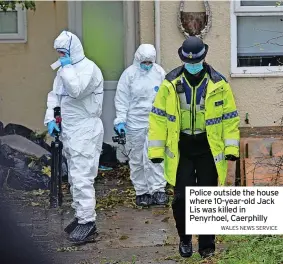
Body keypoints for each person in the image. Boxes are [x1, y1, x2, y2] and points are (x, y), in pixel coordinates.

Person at [147, 36, 240, 258]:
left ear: (203, 57)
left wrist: (231, 149)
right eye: (188, 61)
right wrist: (156, 151)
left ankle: (207, 246)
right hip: (182, 149)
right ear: (182, 59)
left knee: (207, 199)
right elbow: (158, 118)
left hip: (208, 148)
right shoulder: (170, 83)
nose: (192, 64)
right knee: (181, 198)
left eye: (196, 60)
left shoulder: (219, 83)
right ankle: (185, 238)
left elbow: (230, 118)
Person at [44, 30, 104, 243]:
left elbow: (76, 90)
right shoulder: (63, 69)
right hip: (70, 131)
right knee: (74, 178)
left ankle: (88, 222)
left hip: (85, 131)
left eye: (63, 52)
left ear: (72, 50)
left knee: (82, 178)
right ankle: (81, 217)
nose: (60, 55)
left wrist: (67, 66)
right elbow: (55, 95)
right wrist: (51, 118)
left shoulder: (89, 69)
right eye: (58, 52)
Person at [114, 44, 169, 207]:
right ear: (138, 59)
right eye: (144, 62)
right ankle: (142, 192)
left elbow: (166, 97)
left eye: (149, 62)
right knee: (137, 158)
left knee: (156, 156)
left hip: (155, 121)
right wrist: (121, 120)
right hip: (134, 122)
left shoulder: (159, 73)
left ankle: (158, 190)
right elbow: (122, 99)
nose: (147, 65)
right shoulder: (129, 75)